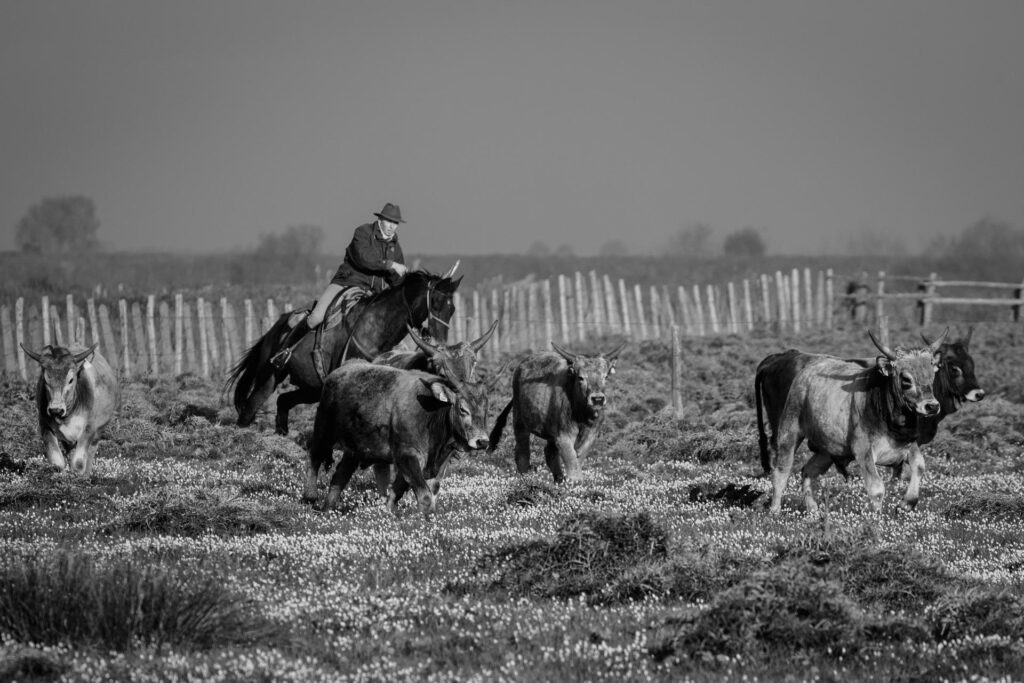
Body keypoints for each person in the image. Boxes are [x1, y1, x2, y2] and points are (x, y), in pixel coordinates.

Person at [270, 202, 408, 368]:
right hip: (347, 283)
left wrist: (408, 282)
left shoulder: (395, 247)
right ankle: (284, 350)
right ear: (380, 219)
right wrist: (391, 265)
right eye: (389, 221)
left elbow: (396, 281)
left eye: (395, 223)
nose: (392, 227)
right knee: (316, 317)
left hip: (372, 294)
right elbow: (364, 259)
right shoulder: (363, 232)